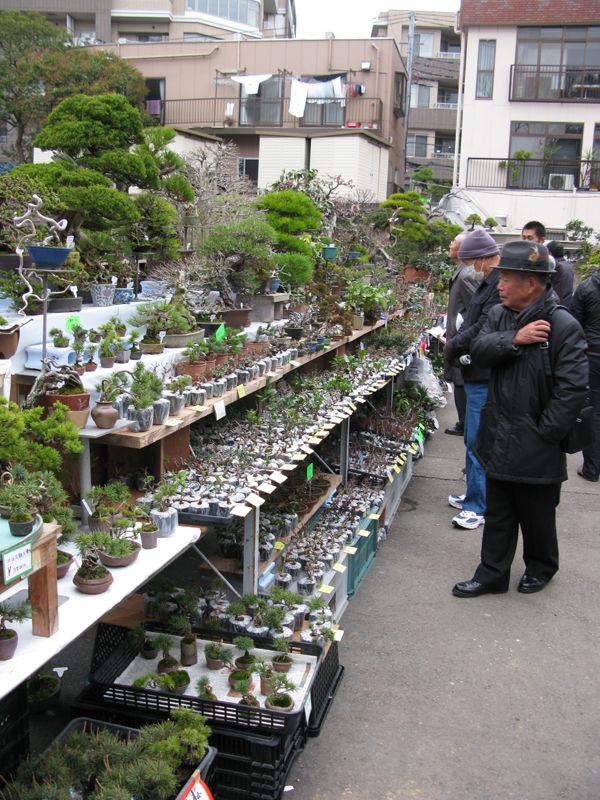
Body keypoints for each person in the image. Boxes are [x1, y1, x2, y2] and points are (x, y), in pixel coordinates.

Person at [452, 241, 588, 597]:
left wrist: (545, 433)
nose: (499, 284)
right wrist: (515, 338)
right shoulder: (499, 315)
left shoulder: (563, 325)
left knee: (537, 514)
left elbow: (572, 389)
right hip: (498, 431)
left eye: (507, 278)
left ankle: (541, 567)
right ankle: (492, 574)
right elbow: (479, 351)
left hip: (537, 439)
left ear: (531, 284)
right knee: (498, 511)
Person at [444, 229, 500, 530]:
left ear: (480, 258)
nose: (472, 267)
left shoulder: (495, 283)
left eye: (473, 260)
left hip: (482, 371)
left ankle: (478, 507)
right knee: (472, 438)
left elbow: (483, 325)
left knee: (478, 440)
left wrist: (456, 344)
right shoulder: (488, 282)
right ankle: (473, 496)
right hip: (474, 367)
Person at [443, 232, 478, 436]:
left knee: (460, 381)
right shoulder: (462, 272)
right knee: (458, 380)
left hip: (462, 339)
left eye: (453, 243)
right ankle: (464, 422)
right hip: (458, 336)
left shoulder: (466, 275)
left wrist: (461, 331)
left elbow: (476, 307)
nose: (450, 244)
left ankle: (464, 423)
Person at [570, 263, 600, 481]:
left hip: (593, 355)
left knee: (594, 410)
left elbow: (575, 325)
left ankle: (592, 467)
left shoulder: (587, 287)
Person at [546, 240, 574, 309]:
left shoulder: (555, 267)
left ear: (550, 253)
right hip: (567, 306)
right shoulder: (569, 266)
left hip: (556, 307)